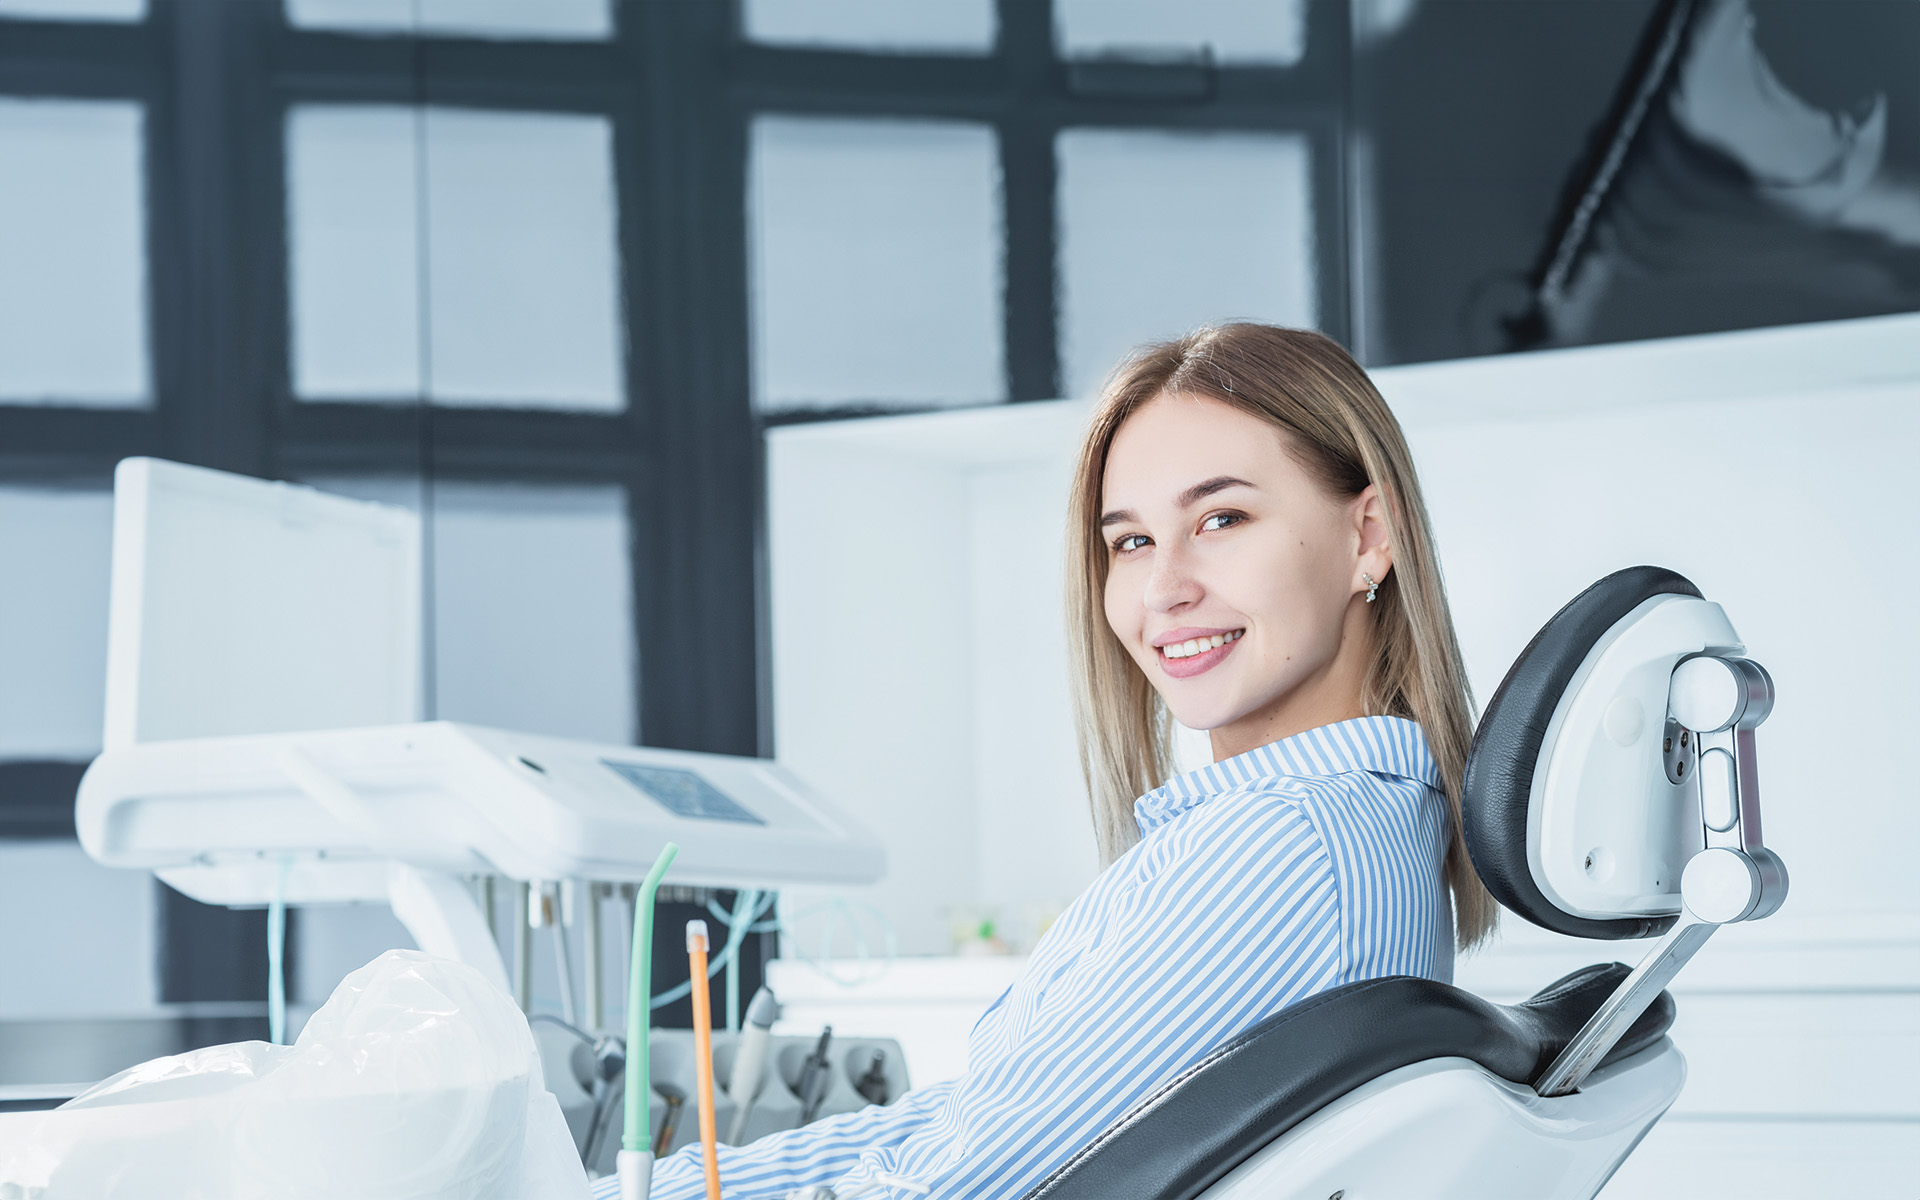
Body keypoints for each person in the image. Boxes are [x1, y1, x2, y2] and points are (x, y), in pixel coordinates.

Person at [603, 323, 1497, 1200]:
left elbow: (942, 1189)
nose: (1163, 589)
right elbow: (960, 1129)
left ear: (1369, 535)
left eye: (1222, 518)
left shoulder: (1281, 848)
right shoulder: (1364, 826)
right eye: (1131, 541)